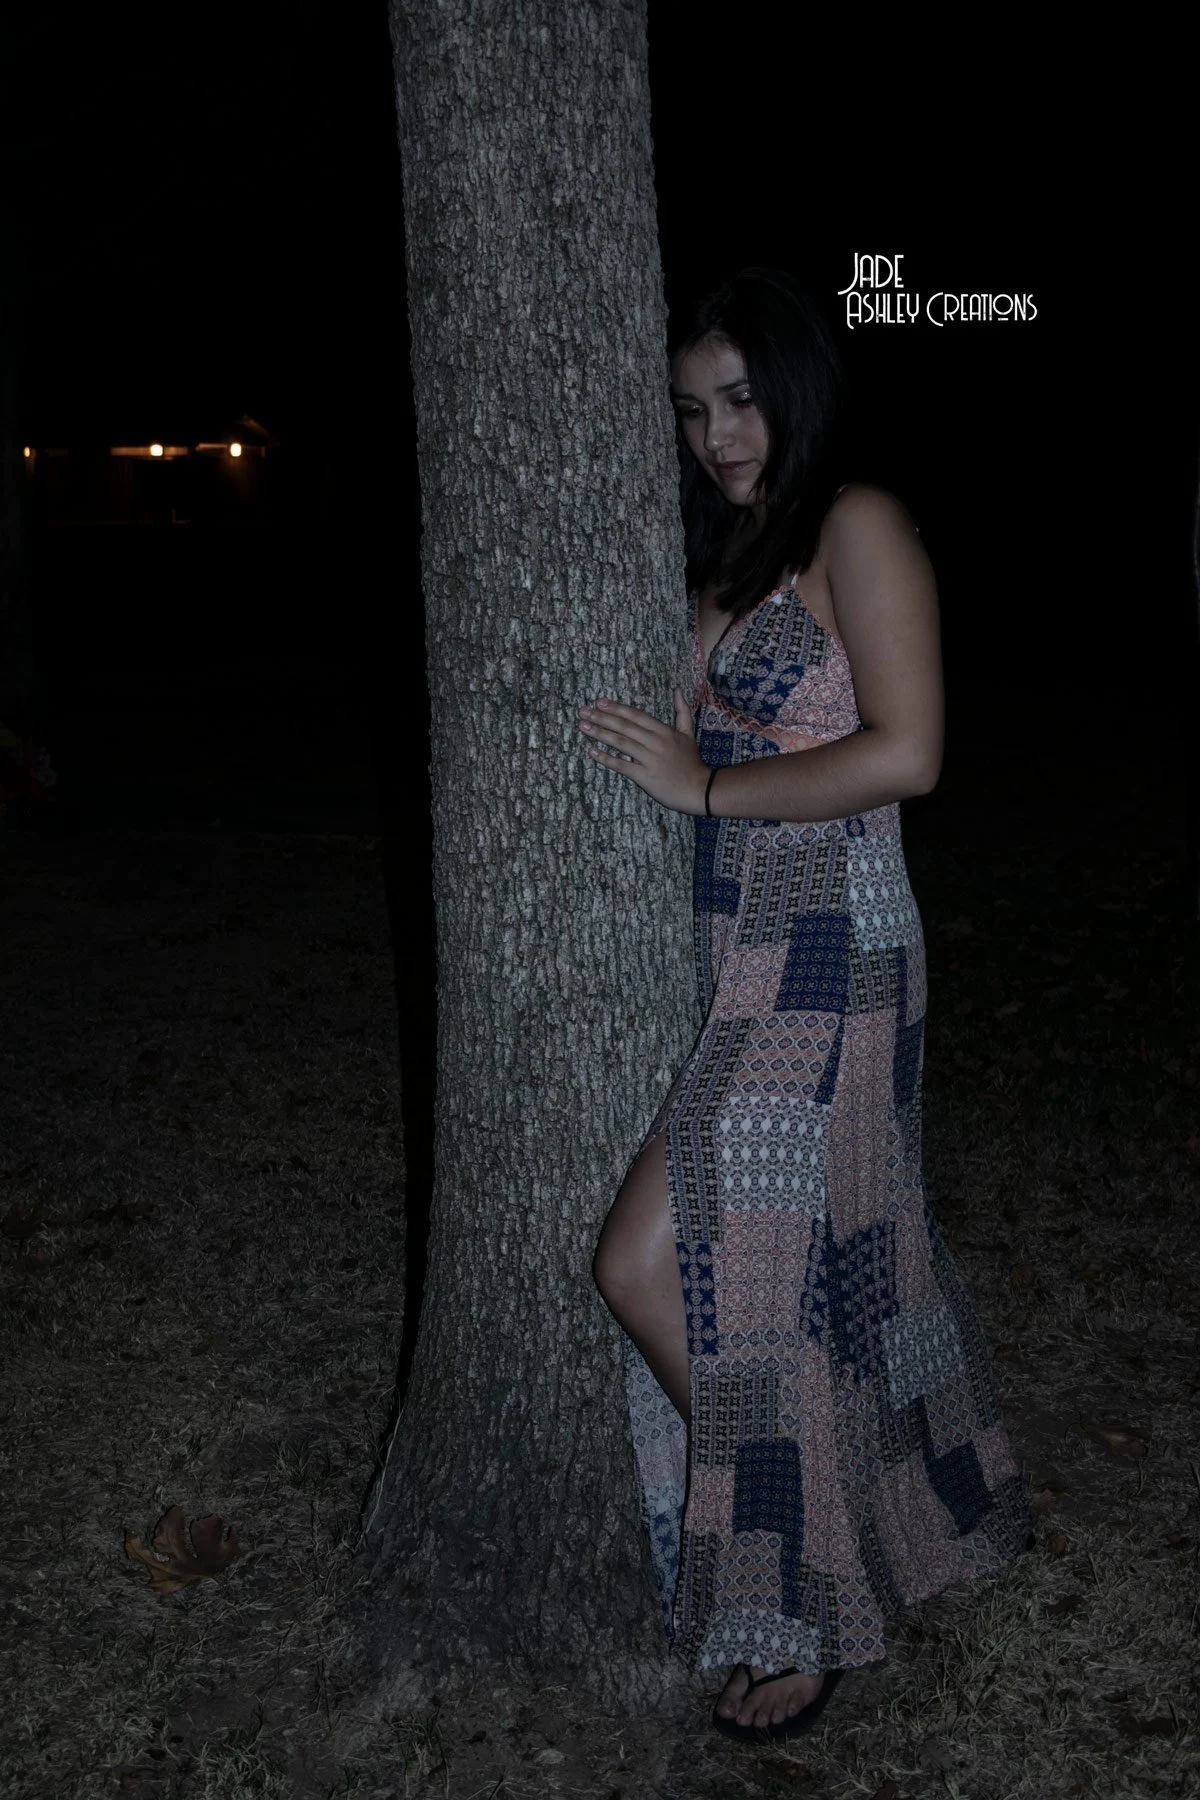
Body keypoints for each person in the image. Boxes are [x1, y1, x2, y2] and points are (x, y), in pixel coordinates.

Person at [576, 267, 1031, 1742]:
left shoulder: (859, 522)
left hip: (837, 942)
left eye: (742, 399)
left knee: (649, 1265)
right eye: (694, 410)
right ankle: (845, 1531)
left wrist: (706, 782)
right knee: (777, 1275)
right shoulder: (726, 546)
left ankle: (807, 1571)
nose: (717, 434)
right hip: (737, 949)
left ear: (800, 384)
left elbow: (910, 753)